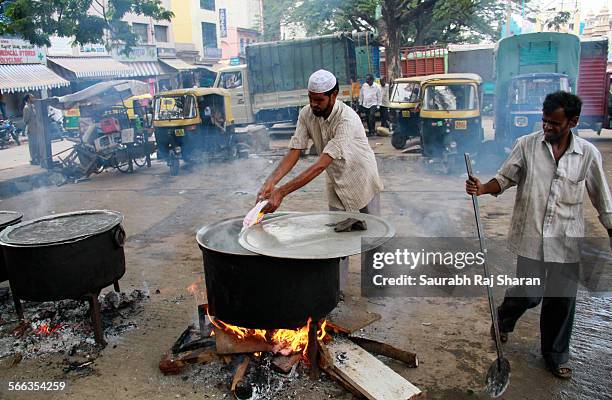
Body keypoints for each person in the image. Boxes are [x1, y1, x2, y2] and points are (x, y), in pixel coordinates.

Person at [465, 91, 612, 380]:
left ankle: (555, 355)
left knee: (561, 301)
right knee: (529, 294)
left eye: (554, 124)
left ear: (572, 122)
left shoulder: (587, 155)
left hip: (567, 239)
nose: (546, 127)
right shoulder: (527, 146)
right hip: (531, 236)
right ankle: (503, 319)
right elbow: (505, 178)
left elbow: (602, 199)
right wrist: (482, 188)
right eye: (544, 121)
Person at [257, 69, 384, 291]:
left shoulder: (347, 119)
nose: (314, 104)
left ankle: (376, 280)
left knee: (372, 234)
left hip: (362, 177)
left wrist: (282, 192)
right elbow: (296, 150)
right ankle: (338, 291)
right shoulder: (306, 114)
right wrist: (271, 182)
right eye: (311, 99)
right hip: (336, 180)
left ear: (334, 95)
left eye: (319, 100)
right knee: (338, 239)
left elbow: (321, 163)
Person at [23, 94, 42, 165]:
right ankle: (34, 159)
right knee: (33, 145)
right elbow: (25, 120)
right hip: (31, 129)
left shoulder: (33, 106)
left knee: (38, 144)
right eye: (32, 97)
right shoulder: (26, 108)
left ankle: (38, 158)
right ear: (28, 99)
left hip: (37, 129)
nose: (34, 98)